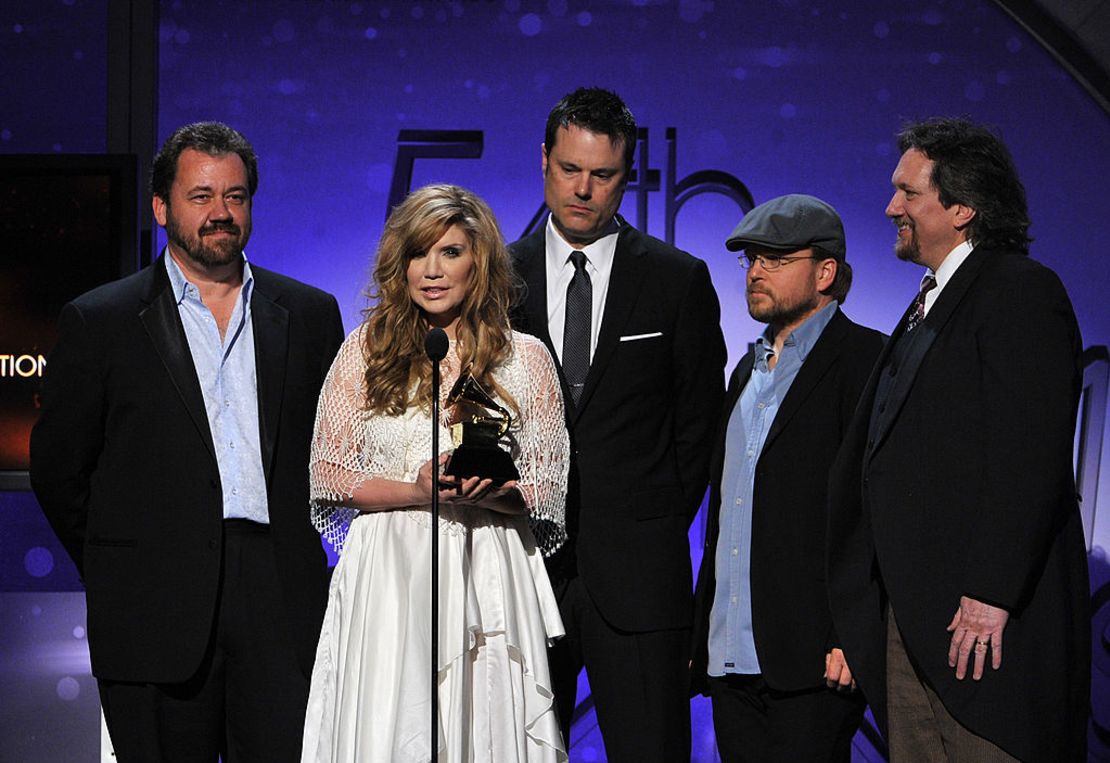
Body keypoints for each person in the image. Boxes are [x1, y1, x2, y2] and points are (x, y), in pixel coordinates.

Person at [29, 121, 345, 761]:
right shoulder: (101, 320)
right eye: (201, 196)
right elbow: (60, 469)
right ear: (161, 207)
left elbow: (332, 451)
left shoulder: (310, 314)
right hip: (153, 604)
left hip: (280, 597)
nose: (221, 213)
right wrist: (125, 562)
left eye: (235, 196)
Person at [826, 117, 1090, 762]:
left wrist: (991, 593)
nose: (892, 207)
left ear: (964, 207)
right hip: (915, 619)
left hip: (979, 629)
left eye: (909, 193)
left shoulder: (1018, 291)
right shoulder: (930, 300)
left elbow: (1029, 452)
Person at [300, 184, 569, 762]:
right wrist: (416, 491)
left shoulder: (526, 359)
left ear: (481, 261)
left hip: (488, 566)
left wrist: (494, 495)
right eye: (419, 254)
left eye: (450, 252)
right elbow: (328, 474)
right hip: (390, 575)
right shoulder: (365, 352)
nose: (432, 271)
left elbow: (547, 489)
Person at [509, 86, 726, 760]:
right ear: (544, 160)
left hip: (639, 584)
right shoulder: (494, 278)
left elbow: (699, 427)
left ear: (627, 177)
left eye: (602, 175)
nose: (583, 189)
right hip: (517, 572)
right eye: (569, 169)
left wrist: (648, 520)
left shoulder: (675, 280)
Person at [690, 194, 882, 761]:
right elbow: (727, 513)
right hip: (731, 657)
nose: (754, 272)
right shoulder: (746, 369)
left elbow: (874, 510)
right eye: (751, 259)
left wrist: (854, 632)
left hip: (815, 658)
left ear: (825, 271)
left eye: (774, 259)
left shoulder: (865, 361)